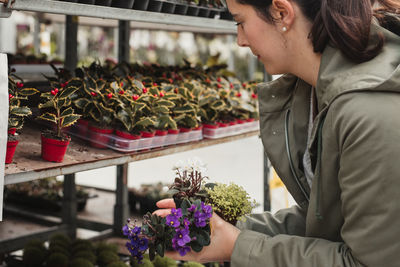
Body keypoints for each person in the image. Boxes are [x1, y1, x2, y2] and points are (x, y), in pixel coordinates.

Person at [155, 0, 400, 266]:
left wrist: (238, 246)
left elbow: (368, 262)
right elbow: (328, 222)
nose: (240, 40)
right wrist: (226, 227)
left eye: (240, 21)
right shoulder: (314, 90)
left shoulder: (370, 111)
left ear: (282, 12)